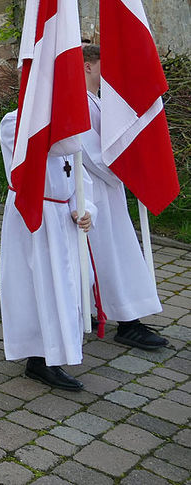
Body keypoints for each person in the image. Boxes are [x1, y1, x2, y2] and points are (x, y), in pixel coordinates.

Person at [0, 109, 94, 391]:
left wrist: (86, 208)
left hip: (65, 216)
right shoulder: (15, 121)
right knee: (38, 286)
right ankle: (40, 358)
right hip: (36, 214)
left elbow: (79, 174)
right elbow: (48, 149)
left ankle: (61, 346)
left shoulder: (67, 121)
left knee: (69, 285)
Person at [81, 44, 167, 350]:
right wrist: (128, 173)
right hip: (95, 191)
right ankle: (125, 320)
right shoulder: (80, 102)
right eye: (104, 64)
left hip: (110, 189)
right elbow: (89, 151)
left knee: (117, 250)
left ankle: (105, 311)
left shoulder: (99, 101)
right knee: (110, 254)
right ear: (88, 66)